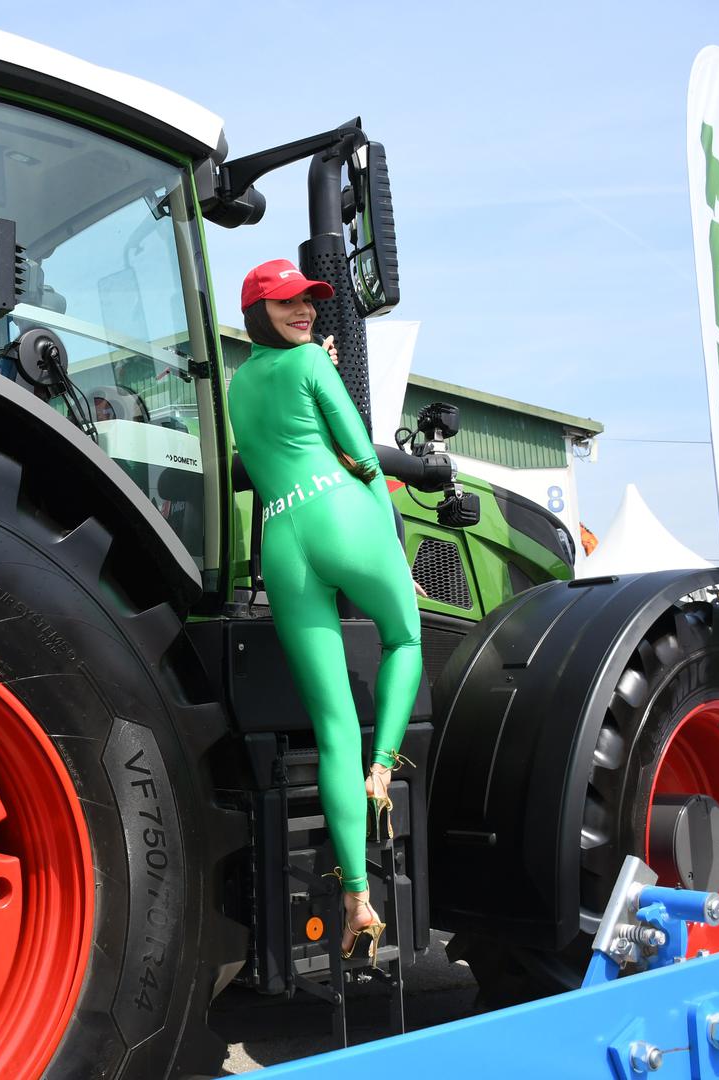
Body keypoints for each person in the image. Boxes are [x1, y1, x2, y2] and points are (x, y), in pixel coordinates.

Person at [226, 259, 423, 964]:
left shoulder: (238, 384)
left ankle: (357, 899)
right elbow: (360, 452)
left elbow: (281, 432)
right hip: (341, 514)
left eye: (308, 301)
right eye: (288, 303)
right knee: (405, 638)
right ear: (259, 312)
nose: (304, 310)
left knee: (332, 725)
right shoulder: (310, 360)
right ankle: (382, 769)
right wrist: (382, 525)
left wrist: (315, 363)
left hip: (284, 542)